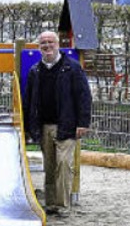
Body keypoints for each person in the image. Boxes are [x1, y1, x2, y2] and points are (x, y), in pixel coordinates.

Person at [24, 30, 92, 216]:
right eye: (43, 43)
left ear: (57, 45)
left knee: (63, 164)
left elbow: (84, 96)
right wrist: (28, 126)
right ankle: (51, 203)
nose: (47, 46)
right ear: (39, 47)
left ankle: (63, 205)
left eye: (50, 42)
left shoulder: (72, 68)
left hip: (66, 124)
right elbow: (28, 100)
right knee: (50, 165)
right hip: (44, 125)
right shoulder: (35, 71)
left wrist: (83, 122)